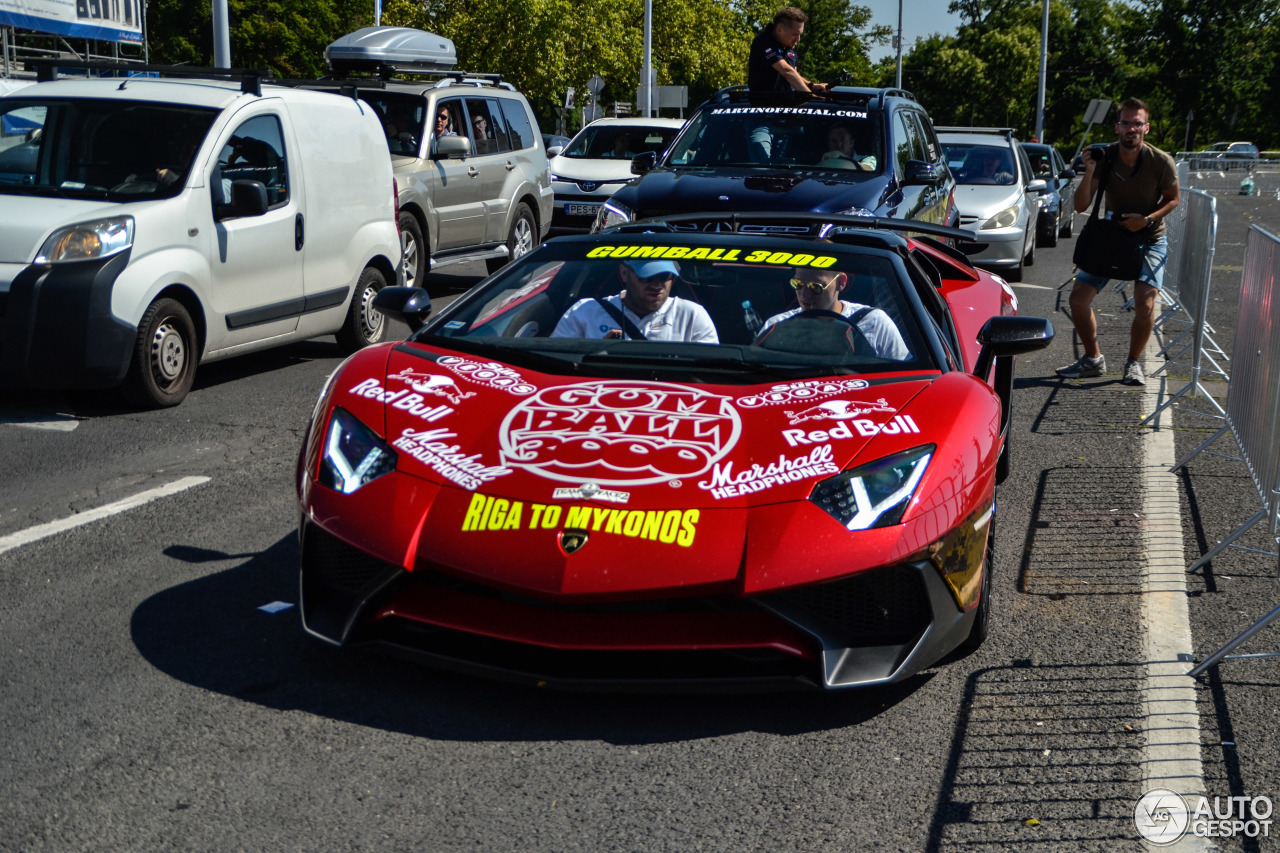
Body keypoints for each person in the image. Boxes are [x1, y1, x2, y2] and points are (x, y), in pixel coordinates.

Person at [1056, 97, 1179, 386]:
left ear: (1146, 128)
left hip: (1149, 236)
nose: (1131, 129)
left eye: (1137, 124)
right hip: (1112, 236)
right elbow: (1079, 206)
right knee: (1078, 299)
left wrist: (1147, 219)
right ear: (1117, 127)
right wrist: (1088, 172)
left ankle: (1133, 363)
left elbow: (1173, 198)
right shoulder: (1104, 157)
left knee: (1145, 303)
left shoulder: (1160, 161)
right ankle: (1093, 359)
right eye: (1126, 123)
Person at [757, 266, 909, 359]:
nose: (804, 296)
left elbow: (907, 379)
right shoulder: (776, 326)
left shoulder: (875, 323)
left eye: (815, 287)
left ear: (841, 282)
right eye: (798, 284)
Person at [551, 260, 719, 343]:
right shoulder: (584, 312)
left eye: (664, 276)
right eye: (648, 277)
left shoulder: (692, 316)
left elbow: (711, 374)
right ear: (624, 273)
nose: (657, 285)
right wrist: (596, 353)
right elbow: (554, 364)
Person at [747, 7, 828, 162]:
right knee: (762, 164)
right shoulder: (763, 42)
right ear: (780, 29)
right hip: (762, 115)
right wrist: (811, 98)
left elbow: (793, 73)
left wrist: (812, 85)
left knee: (785, 170)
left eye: (800, 34)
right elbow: (786, 71)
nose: (798, 39)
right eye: (795, 34)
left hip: (787, 118)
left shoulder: (790, 49)